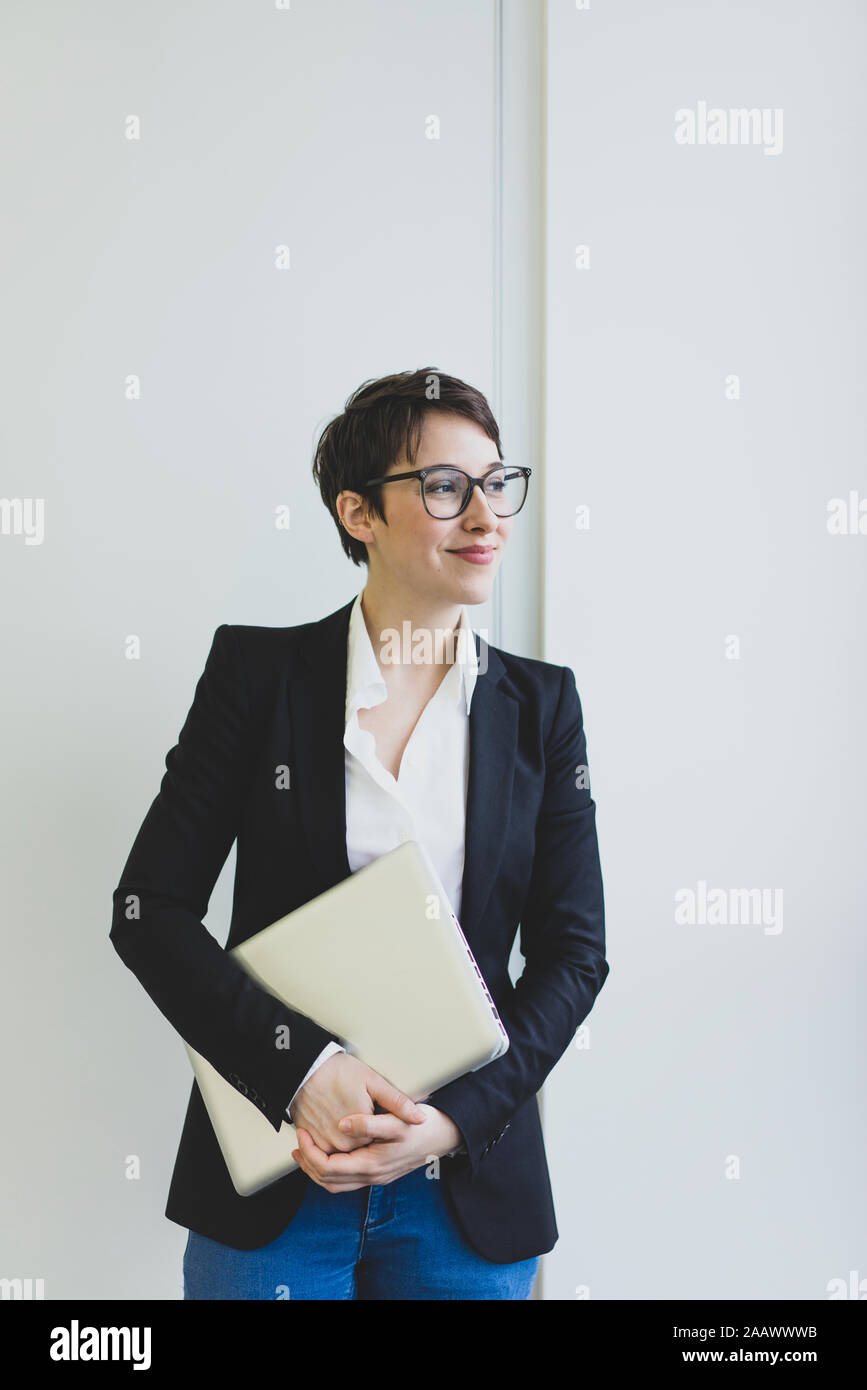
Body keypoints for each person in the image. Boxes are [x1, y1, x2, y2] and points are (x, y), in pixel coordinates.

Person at [110, 367, 609, 1299]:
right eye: (444, 487)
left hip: (463, 1190)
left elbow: (575, 953)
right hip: (277, 1179)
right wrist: (303, 1071)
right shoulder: (256, 677)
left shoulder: (542, 707)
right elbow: (149, 910)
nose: (485, 515)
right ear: (358, 514)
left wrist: (453, 1120)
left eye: (496, 484)